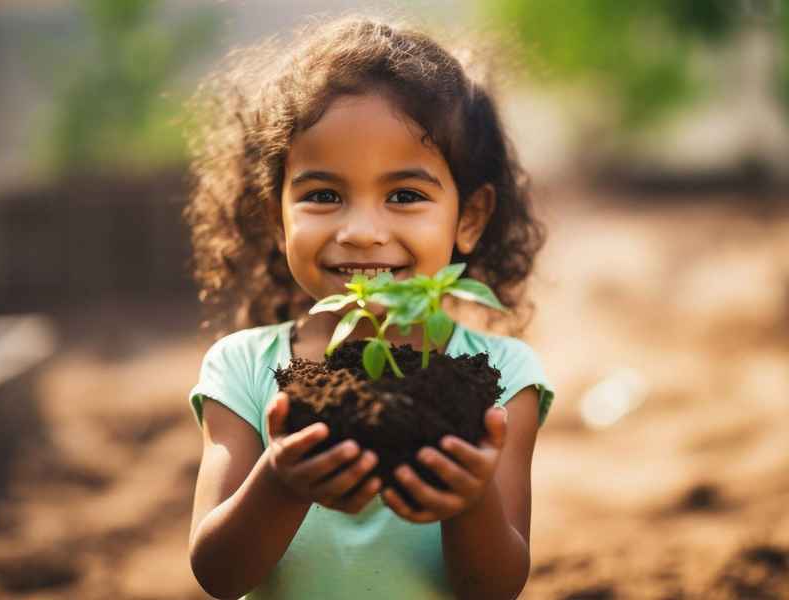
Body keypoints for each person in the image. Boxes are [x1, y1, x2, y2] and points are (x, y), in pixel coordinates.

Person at [185, 14, 555, 600]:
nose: (361, 231)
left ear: (469, 218)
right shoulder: (243, 368)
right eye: (323, 195)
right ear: (276, 218)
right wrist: (280, 483)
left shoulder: (502, 379)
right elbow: (218, 574)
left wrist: (471, 500)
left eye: (404, 195)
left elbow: (497, 588)